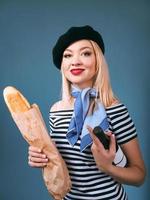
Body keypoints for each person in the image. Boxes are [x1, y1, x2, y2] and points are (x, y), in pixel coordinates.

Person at [28, 25, 146, 200]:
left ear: (98, 60)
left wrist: (108, 167)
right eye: (68, 55)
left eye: (85, 53)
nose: (75, 61)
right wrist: (41, 158)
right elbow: (60, 164)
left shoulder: (114, 109)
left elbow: (139, 176)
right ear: (63, 65)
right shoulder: (56, 111)